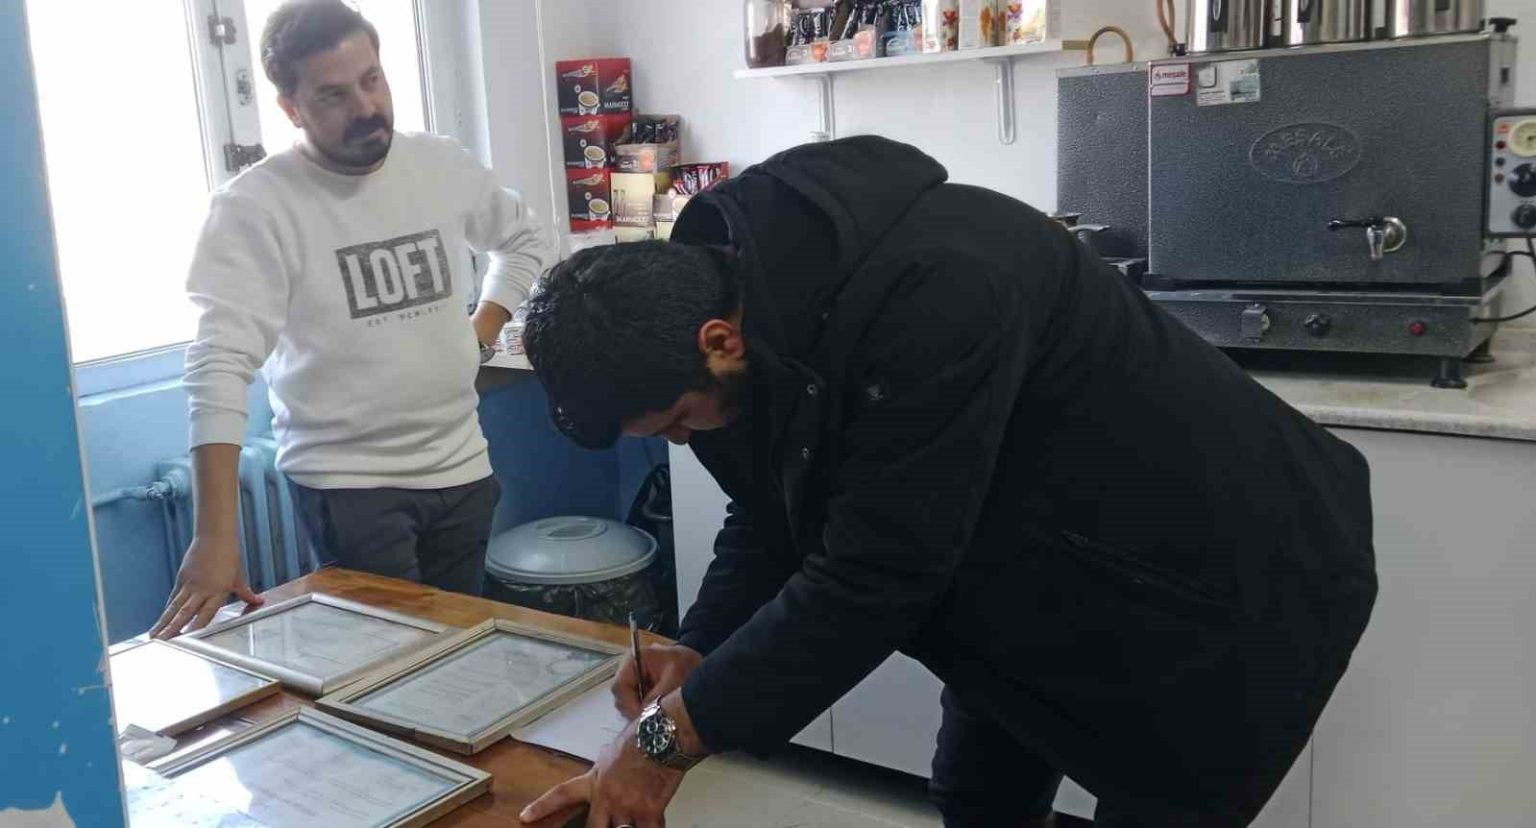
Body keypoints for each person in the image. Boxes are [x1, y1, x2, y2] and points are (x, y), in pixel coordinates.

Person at [516, 136, 1378, 827]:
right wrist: (700, 646)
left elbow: (871, 578)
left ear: (717, 342)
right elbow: (771, 514)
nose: (684, 440)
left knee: (1159, 806)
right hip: (1028, 570)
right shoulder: (747, 312)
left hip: (1226, 582)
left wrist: (661, 743)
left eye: (677, 423)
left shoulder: (940, 287)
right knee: (977, 793)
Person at [150, 0, 551, 639]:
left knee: (462, 654)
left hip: (463, 465)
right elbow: (219, 367)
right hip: (351, 485)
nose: (366, 107)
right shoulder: (254, 208)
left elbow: (524, 238)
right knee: (393, 661)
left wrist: (480, 328)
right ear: (291, 107)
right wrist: (214, 536)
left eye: (372, 80)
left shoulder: (439, 165)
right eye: (333, 95)